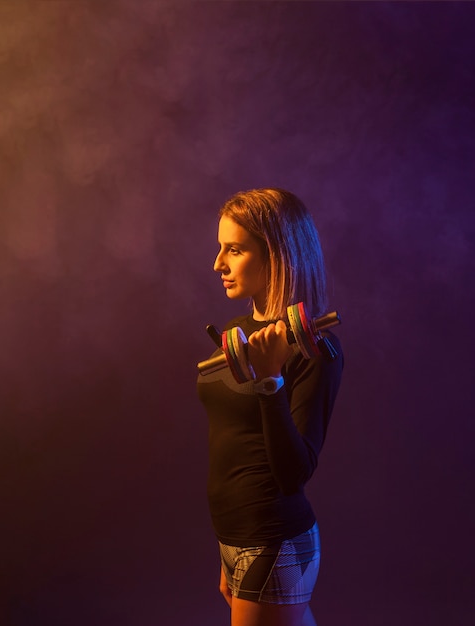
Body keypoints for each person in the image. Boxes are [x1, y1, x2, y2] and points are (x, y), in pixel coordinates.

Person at [197, 188, 343, 626]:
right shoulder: (236, 332)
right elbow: (235, 444)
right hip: (235, 533)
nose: (218, 264)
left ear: (277, 255)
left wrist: (270, 379)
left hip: (274, 539)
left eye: (234, 250)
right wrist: (227, 548)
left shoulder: (317, 350)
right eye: (220, 248)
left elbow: (292, 472)